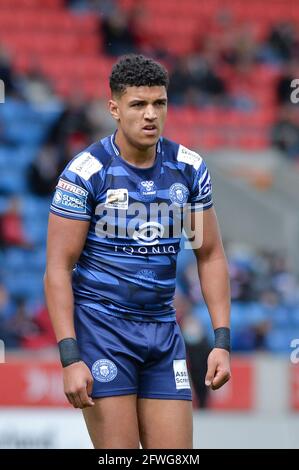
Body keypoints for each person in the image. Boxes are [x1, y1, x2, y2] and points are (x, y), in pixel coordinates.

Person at [44, 54, 231, 449]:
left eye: (159, 103)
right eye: (138, 104)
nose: (150, 115)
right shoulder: (85, 173)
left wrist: (221, 342)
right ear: (114, 108)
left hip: (163, 333)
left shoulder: (188, 169)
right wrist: (69, 357)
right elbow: (59, 268)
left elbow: (209, 254)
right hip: (103, 332)